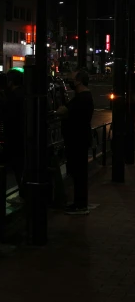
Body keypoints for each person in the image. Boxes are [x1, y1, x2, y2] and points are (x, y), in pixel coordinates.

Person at [57, 69, 94, 215]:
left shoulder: (82, 98)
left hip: (77, 140)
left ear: (79, 81)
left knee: (78, 173)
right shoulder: (83, 97)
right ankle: (79, 203)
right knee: (79, 173)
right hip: (79, 139)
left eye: (72, 78)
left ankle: (80, 205)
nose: (70, 80)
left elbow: (63, 111)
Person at [1, 70, 26, 203]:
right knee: (22, 167)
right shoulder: (25, 94)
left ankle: (23, 194)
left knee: (18, 167)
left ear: (10, 82)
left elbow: (8, 118)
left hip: (15, 137)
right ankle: (24, 192)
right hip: (24, 136)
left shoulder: (12, 97)